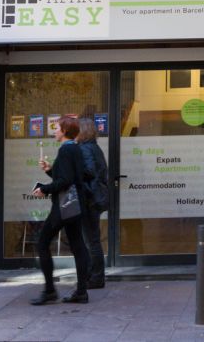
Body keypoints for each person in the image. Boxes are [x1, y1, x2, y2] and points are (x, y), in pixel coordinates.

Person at [29, 114, 91, 305]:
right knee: (78, 246)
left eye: (57, 128)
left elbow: (65, 181)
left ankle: (49, 291)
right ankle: (81, 292)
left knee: (42, 243)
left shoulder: (65, 151)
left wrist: (44, 189)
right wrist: (49, 170)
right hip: (75, 204)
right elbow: (77, 175)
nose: (54, 131)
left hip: (63, 206)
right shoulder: (76, 149)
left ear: (64, 131)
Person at [75, 116, 109, 288]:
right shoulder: (93, 147)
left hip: (90, 200)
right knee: (92, 239)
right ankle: (94, 276)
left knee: (91, 240)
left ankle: (96, 278)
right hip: (94, 199)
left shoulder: (85, 149)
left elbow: (89, 173)